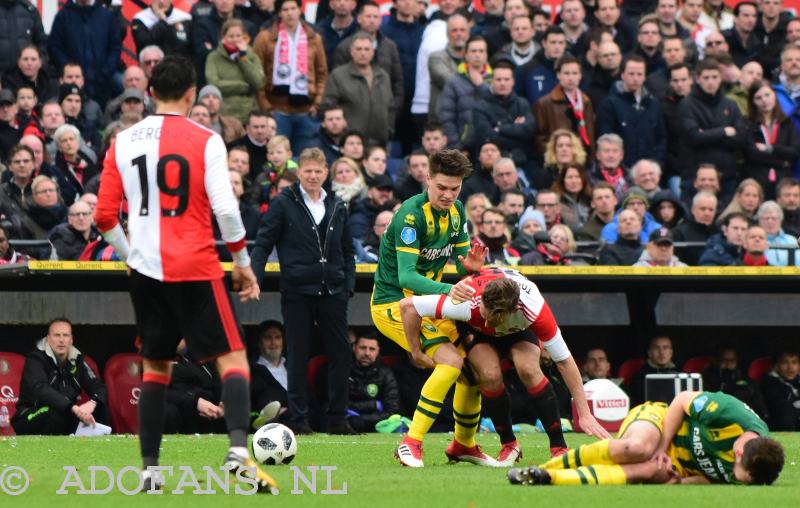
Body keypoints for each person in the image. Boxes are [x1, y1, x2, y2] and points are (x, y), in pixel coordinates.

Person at [94, 56, 276, 492]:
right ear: (193, 94)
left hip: (146, 269)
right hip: (194, 264)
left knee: (155, 367)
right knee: (232, 357)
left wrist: (130, 253)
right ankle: (236, 454)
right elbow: (227, 211)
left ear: (151, 93)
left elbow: (103, 216)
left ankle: (151, 472)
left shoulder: (122, 141)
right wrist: (243, 265)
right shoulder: (206, 139)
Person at [399, 267, 610, 466]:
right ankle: (509, 444)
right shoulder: (465, 301)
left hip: (517, 332)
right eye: (486, 314)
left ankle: (559, 448)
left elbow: (565, 361)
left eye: (495, 319)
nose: (489, 323)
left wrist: (584, 414)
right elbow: (409, 306)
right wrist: (416, 352)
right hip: (475, 330)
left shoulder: (534, 309)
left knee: (529, 370)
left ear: (512, 310)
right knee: (489, 375)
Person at [369, 149, 492, 468]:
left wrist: (472, 268)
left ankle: (464, 445)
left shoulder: (458, 212)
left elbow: (465, 269)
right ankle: (410, 443)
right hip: (393, 303)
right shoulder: (410, 215)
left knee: (473, 371)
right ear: (428, 180)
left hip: (434, 304)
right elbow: (407, 275)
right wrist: (452, 289)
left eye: (455, 188)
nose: (449, 195)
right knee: (450, 362)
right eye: (442, 188)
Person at [250, 147, 356, 435]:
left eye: (317, 171)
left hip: (333, 290)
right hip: (297, 289)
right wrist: (254, 278)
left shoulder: (337, 204)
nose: (312, 176)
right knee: (297, 353)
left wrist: (348, 284)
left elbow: (348, 250)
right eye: (307, 171)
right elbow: (263, 242)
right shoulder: (284, 203)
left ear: (325, 173)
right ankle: (298, 419)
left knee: (341, 352)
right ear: (299, 172)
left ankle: (337, 418)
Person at [510, 390, 784, 486]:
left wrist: (679, 482)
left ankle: (546, 478)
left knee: (649, 469)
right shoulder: (727, 414)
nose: (736, 479)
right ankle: (548, 467)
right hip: (660, 421)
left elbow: (710, 478)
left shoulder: (754, 465)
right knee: (639, 449)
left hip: (678, 462)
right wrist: (662, 448)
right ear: (738, 453)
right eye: (739, 475)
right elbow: (680, 401)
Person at [253, 0, 327, 155]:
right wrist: (266, 107)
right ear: (279, 13)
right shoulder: (265, 37)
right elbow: (256, 74)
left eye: (293, 8)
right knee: (278, 157)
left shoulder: (314, 38)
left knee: (306, 158)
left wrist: (318, 102)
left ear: (300, 10)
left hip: (306, 110)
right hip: (277, 109)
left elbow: (322, 72)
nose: (289, 13)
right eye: (285, 9)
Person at [12, 318, 108, 435]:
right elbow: (41, 389)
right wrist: (73, 408)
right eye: (57, 335)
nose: (61, 340)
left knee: (101, 408)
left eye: (65, 335)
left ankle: (101, 447)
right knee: (55, 414)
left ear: (71, 340)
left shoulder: (78, 360)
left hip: (66, 412)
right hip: (30, 415)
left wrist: (92, 403)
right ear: (48, 338)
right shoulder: (35, 359)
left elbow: (99, 386)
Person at [679, 58, 745, 203]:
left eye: (714, 77)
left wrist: (707, 135)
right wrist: (724, 132)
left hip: (727, 176)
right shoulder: (687, 104)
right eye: (706, 77)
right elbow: (694, 137)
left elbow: (741, 138)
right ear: (697, 79)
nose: (710, 82)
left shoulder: (730, 104)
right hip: (696, 176)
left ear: (720, 78)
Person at [322, 32, 396, 148]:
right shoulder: (338, 76)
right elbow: (329, 106)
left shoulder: (383, 76)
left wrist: (388, 129)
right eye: (359, 49)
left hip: (379, 143)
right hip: (350, 142)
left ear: (373, 52)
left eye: (367, 49)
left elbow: (391, 106)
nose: (363, 53)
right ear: (351, 52)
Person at [47, 0, 122, 107]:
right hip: (72, 83)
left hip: (103, 82)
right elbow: (54, 46)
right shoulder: (63, 16)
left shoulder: (106, 16)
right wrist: (68, 68)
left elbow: (115, 47)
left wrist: (105, 72)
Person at [597, 55, 666, 168]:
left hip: (649, 170)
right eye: (631, 74)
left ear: (645, 77)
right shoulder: (609, 104)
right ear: (622, 75)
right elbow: (605, 138)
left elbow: (661, 138)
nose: (635, 78)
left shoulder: (653, 103)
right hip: (622, 170)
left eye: (639, 74)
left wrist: (657, 164)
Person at [472, 61, 535, 170]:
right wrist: (516, 131)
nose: (502, 83)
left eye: (506, 79)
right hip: (492, 166)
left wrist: (500, 128)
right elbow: (488, 137)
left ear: (513, 82)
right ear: (491, 81)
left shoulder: (522, 103)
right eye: (498, 79)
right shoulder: (480, 106)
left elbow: (529, 131)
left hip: (523, 164)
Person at [744, 80, 800, 200]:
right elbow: (752, 154)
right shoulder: (748, 124)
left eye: (767, 95)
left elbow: (794, 152)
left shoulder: (787, 123)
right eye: (758, 98)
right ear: (753, 102)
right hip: (758, 182)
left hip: (784, 183)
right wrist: (782, 162)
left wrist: (770, 148)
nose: (764, 100)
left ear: (774, 95)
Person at [205, 19, 266, 125]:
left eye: (238, 36)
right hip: (225, 112)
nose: (235, 40)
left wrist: (243, 59)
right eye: (231, 36)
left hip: (248, 112)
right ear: (223, 37)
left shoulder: (251, 55)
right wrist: (242, 86)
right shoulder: (213, 57)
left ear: (244, 37)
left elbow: (259, 82)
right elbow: (213, 83)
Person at [534, 54, 596, 159]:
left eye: (574, 73)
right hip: (557, 161)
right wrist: (553, 157)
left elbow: (590, 134)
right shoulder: (544, 103)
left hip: (583, 159)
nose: (571, 78)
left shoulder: (586, 102)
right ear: (558, 75)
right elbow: (540, 137)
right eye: (566, 73)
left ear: (580, 76)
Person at [437, 35, 491, 151]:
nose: (477, 55)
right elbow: (446, 118)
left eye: (481, 51)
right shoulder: (453, 82)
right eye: (473, 51)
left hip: (490, 146)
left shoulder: (496, 79)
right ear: (466, 55)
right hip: (464, 147)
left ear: (486, 55)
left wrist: (481, 86)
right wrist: (456, 147)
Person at [346, 334, 402, 432]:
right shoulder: (344, 371)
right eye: (363, 348)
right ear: (354, 348)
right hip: (348, 421)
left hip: (379, 424)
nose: (367, 353)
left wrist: (362, 419)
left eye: (372, 349)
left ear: (378, 351)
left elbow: (392, 410)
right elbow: (338, 405)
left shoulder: (386, 373)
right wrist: (375, 405)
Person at [702, 346, 767, 418]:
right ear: (716, 360)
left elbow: (758, 403)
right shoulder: (707, 378)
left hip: (745, 418)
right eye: (724, 360)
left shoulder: (744, 378)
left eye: (732, 360)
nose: (728, 363)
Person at [250, 320, 289, 425]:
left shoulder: (294, 368)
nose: (273, 342)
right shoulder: (251, 370)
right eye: (268, 338)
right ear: (259, 342)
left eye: (277, 337)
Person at [516, 26, 568, 106]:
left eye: (561, 43)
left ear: (565, 45)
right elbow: (518, 101)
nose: (557, 47)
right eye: (553, 42)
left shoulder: (572, 69)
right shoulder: (526, 70)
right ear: (544, 43)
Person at [627, 335, 679, 406]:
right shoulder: (639, 378)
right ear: (649, 353)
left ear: (671, 352)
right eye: (656, 348)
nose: (661, 352)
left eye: (665, 347)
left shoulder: (681, 375)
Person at [761, 350, 800, 431]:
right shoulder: (769, 382)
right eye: (785, 362)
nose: (790, 367)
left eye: (794, 362)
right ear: (776, 365)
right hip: (781, 427)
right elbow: (781, 408)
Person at [758, 200, 798, 266]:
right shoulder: (755, 240)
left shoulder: (792, 240)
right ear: (759, 221)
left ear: (780, 220)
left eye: (773, 218)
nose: (770, 221)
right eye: (766, 218)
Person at [553, 164, 593, 230]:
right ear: (563, 180)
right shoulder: (556, 202)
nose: (574, 181)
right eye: (569, 177)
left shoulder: (590, 200)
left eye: (577, 177)